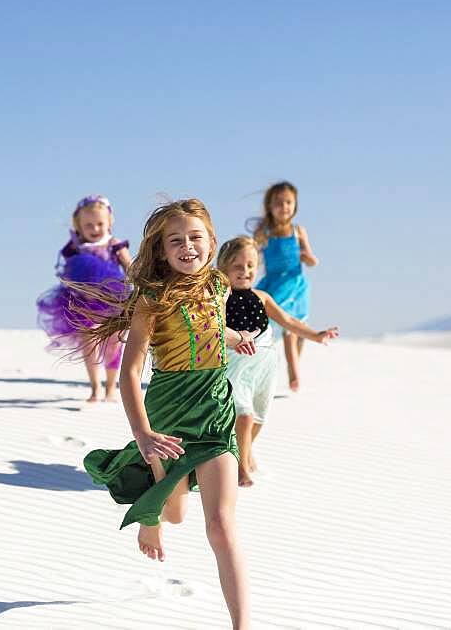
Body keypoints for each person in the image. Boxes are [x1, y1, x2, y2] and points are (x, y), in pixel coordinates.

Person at [81, 199, 256, 629]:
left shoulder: (218, 284)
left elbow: (214, 325)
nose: (187, 246)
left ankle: (243, 625)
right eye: (175, 240)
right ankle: (152, 513)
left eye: (196, 237)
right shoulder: (151, 299)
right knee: (175, 512)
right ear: (161, 251)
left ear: (212, 242)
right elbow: (130, 371)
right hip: (168, 413)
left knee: (219, 525)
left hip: (215, 411)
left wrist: (235, 339)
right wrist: (142, 433)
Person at [217, 235, 339, 487]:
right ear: (224, 268)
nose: (245, 271)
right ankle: (240, 468)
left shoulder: (262, 297)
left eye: (250, 265)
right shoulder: (221, 298)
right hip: (235, 366)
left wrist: (316, 335)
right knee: (245, 415)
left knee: (259, 416)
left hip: (264, 368)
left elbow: (289, 321)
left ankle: (245, 452)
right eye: (238, 266)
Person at [35, 195, 132, 402]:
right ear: (78, 224)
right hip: (82, 303)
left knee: (114, 343)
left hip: (112, 302)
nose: (95, 229)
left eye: (100, 224)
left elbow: (131, 267)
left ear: (109, 223)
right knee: (89, 343)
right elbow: (66, 271)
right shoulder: (74, 247)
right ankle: (95, 388)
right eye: (89, 224)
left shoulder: (114, 245)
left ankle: (111, 388)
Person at [252, 181, 319, 391]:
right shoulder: (264, 231)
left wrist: (308, 257)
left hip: (297, 285)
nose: (284, 207)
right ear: (270, 206)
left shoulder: (298, 231)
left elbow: (312, 260)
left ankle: (294, 364)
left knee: (299, 328)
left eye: (289, 202)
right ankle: (292, 371)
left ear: (295, 205)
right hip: (275, 285)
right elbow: (253, 256)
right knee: (286, 327)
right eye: (279, 203)